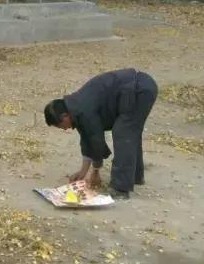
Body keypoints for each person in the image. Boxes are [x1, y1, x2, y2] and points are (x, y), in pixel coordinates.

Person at [44, 68, 158, 198]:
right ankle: (134, 177)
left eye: (61, 126)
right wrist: (84, 172)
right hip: (136, 88)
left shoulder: (83, 110)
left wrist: (96, 170)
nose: (65, 129)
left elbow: (96, 140)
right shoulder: (76, 108)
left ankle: (120, 188)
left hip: (138, 90)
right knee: (129, 132)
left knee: (123, 133)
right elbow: (87, 139)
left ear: (65, 116)